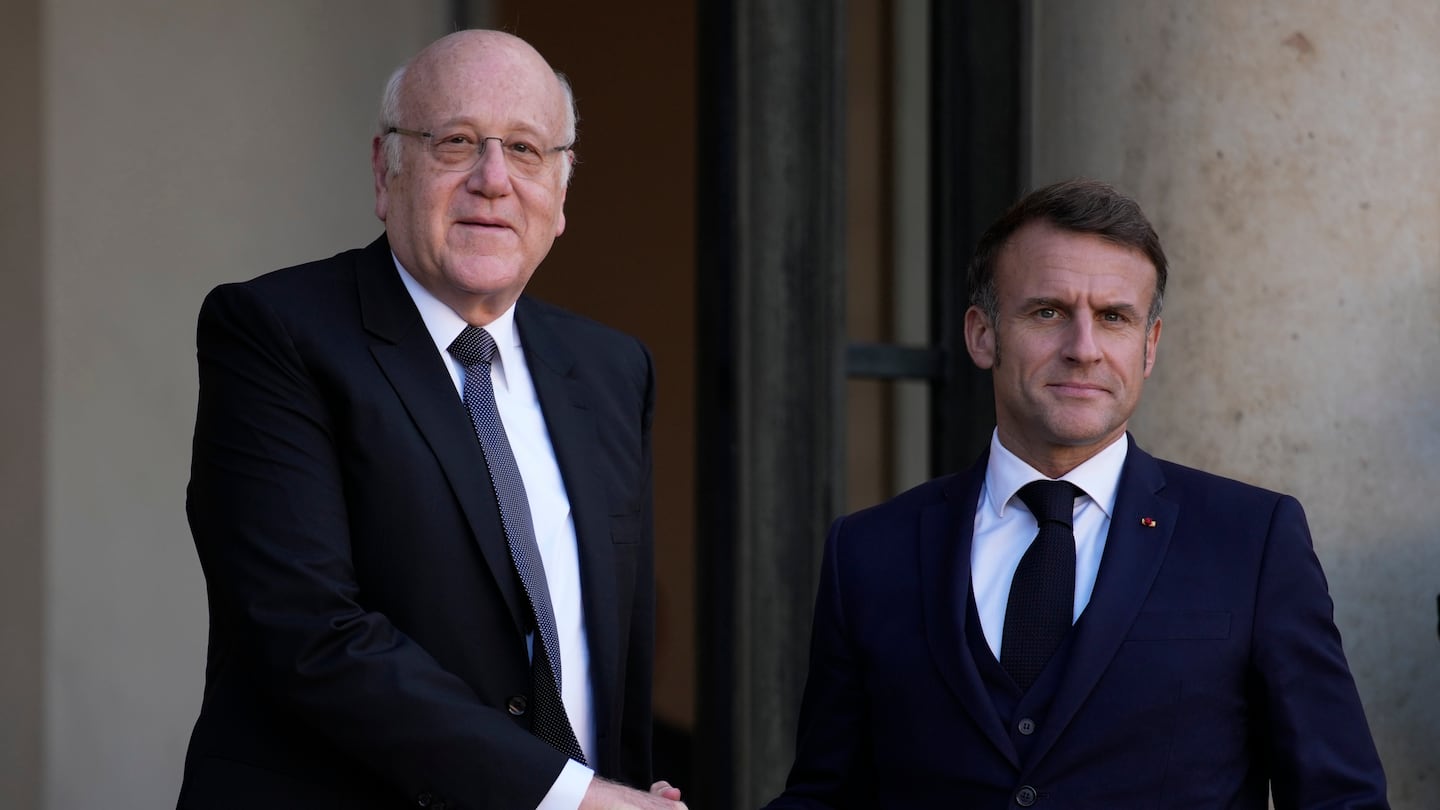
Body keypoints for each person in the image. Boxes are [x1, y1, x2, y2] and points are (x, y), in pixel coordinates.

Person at [177, 30, 684, 810]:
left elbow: (610, 646)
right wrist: (569, 797)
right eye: (456, 142)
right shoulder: (275, 333)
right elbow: (306, 630)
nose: (493, 180)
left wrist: (618, 791)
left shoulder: (614, 369)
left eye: (524, 149)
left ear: (562, 190)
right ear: (386, 171)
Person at [765, 179, 1389, 808]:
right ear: (983, 335)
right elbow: (827, 796)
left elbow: (1340, 798)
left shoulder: (1253, 540)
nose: (1083, 349)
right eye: (1048, 312)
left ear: (1149, 346)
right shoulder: (869, 552)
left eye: (1114, 318)